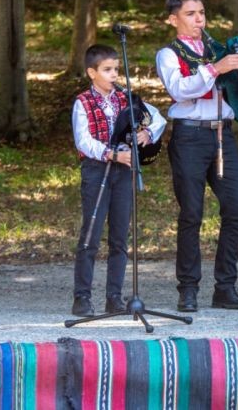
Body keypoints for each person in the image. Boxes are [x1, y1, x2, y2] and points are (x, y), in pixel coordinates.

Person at [156, 0, 238, 312]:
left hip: (223, 134)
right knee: (191, 213)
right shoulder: (168, 54)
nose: (199, 20)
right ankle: (188, 289)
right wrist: (216, 68)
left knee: (236, 209)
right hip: (189, 136)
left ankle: (225, 287)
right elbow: (179, 89)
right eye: (190, 14)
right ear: (173, 19)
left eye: (202, 13)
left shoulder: (219, 49)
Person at [71, 44, 166, 317]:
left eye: (116, 69)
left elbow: (158, 118)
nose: (114, 74)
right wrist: (111, 154)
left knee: (120, 236)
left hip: (124, 172)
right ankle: (82, 297)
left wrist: (147, 133)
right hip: (96, 171)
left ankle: (114, 297)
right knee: (91, 235)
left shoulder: (126, 99)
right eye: (107, 70)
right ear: (92, 73)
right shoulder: (83, 102)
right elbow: (83, 140)